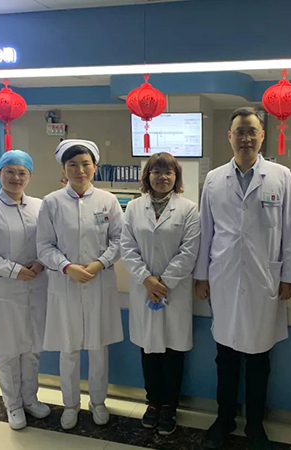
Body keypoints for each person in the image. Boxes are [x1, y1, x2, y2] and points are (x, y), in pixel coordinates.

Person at [194, 107, 291, 450]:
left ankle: (255, 426)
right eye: (239, 131)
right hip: (223, 278)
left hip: (264, 279)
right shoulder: (214, 179)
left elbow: (290, 231)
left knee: (259, 359)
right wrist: (201, 276)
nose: (246, 138)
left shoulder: (281, 176)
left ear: (262, 136)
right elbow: (206, 231)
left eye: (252, 131)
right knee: (224, 357)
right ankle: (223, 420)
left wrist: (289, 277)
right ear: (229, 136)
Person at [36, 139, 124, 430]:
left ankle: (98, 402)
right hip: (66, 285)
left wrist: (101, 263)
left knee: (98, 349)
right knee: (69, 349)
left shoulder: (108, 201)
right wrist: (66, 267)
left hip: (99, 282)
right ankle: (70, 405)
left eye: (85, 164)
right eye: (72, 164)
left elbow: (119, 240)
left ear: (95, 167)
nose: (80, 170)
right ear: (64, 169)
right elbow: (44, 245)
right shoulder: (51, 202)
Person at [0, 150, 50, 430]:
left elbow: (49, 242)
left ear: (30, 176)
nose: (16, 177)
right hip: (5, 288)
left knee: (32, 348)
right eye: (10, 171)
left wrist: (40, 263)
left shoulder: (40, 206)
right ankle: (13, 405)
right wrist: (14, 270)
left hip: (37, 286)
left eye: (22, 172)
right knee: (7, 351)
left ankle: (30, 399)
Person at [121, 152, 200, 436]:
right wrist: (147, 280)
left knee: (172, 352)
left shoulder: (189, 209)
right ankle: (152, 403)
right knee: (149, 350)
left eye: (169, 172)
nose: (162, 177)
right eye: (156, 171)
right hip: (144, 289)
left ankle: (170, 406)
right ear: (148, 176)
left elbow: (189, 251)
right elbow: (126, 247)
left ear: (176, 177)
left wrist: (163, 283)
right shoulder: (133, 208)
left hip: (173, 292)